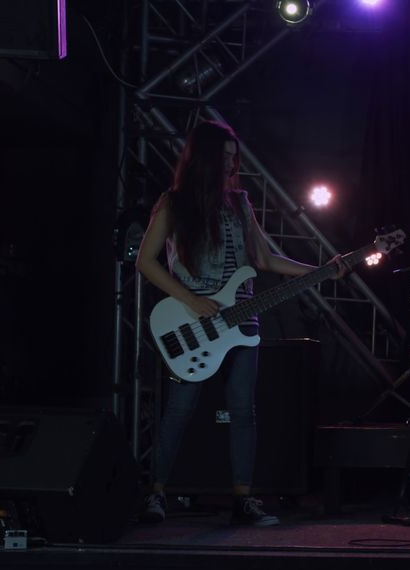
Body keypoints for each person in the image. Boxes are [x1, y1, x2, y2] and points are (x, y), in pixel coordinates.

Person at [135, 120, 348, 526]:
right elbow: (146, 261)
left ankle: (242, 500)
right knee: (180, 408)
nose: (232, 166)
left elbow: (265, 260)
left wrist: (321, 270)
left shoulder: (240, 203)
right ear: (205, 157)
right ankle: (156, 494)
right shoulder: (173, 202)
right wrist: (192, 300)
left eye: (235, 159)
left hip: (242, 319)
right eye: (226, 157)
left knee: (243, 409)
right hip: (191, 317)